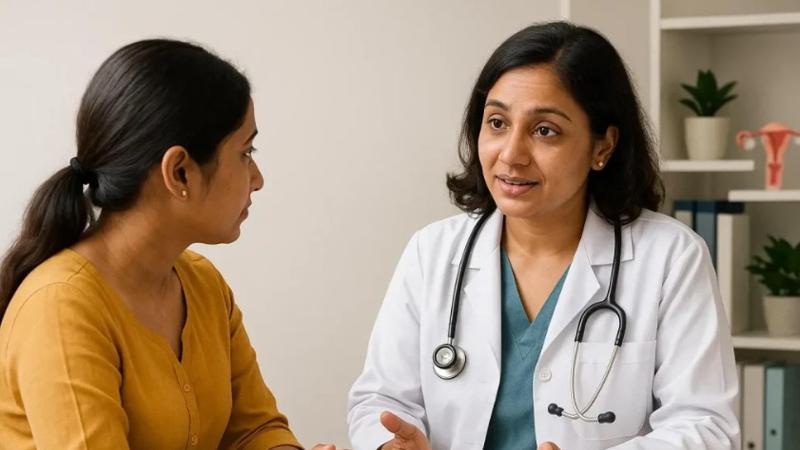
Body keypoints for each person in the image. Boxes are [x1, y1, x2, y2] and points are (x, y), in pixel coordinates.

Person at [347, 22, 739, 450]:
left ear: (602, 147)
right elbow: (380, 400)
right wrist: (390, 444)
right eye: (497, 122)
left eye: (544, 130)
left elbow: (706, 427)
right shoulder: (433, 253)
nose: (511, 154)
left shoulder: (670, 258)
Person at [0, 39, 338, 450]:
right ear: (179, 172)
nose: (258, 178)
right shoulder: (60, 308)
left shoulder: (204, 285)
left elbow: (255, 429)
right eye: (245, 152)